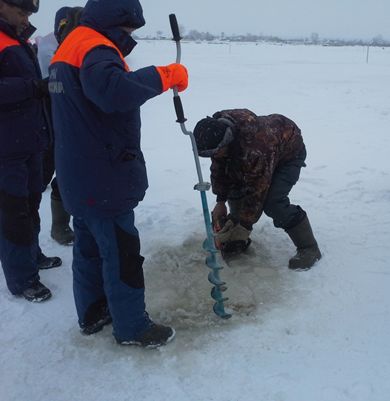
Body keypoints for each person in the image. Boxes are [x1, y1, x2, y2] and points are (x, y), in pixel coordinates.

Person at [48, 0, 188, 348]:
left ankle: (93, 312)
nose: (129, 36)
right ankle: (132, 327)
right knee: (121, 253)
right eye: (128, 29)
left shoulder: (70, 46)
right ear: (115, 21)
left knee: (90, 247)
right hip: (102, 175)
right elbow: (113, 92)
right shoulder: (96, 49)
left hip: (78, 173)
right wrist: (164, 75)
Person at [193, 109, 322, 271]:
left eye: (215, 152)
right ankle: (235, 230)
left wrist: (245, 224)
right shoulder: (217, 131)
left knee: (273, 202)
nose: (214, 156)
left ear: (225, 142)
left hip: (287, 155)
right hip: (261, 150)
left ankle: (309, 247)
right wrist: (220, 201)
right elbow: (220, 167)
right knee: (236, 183)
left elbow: (258, 191)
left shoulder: (256, 148)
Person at [0, 0, 63, 303]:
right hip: (6, 149)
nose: (26, 18)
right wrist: (32, 87)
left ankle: (32, 256)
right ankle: (22, 279)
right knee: (14, 213)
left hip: (31, 141)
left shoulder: (18, 39)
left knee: (31, 204)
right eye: (22, 11)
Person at [36, 6, 83, 246]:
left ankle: (62, 224)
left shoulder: (71, 45)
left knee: (70, 170)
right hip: (51, 117)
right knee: (57, 170)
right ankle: (59, 226)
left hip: (70, 117)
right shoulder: (49, 49)